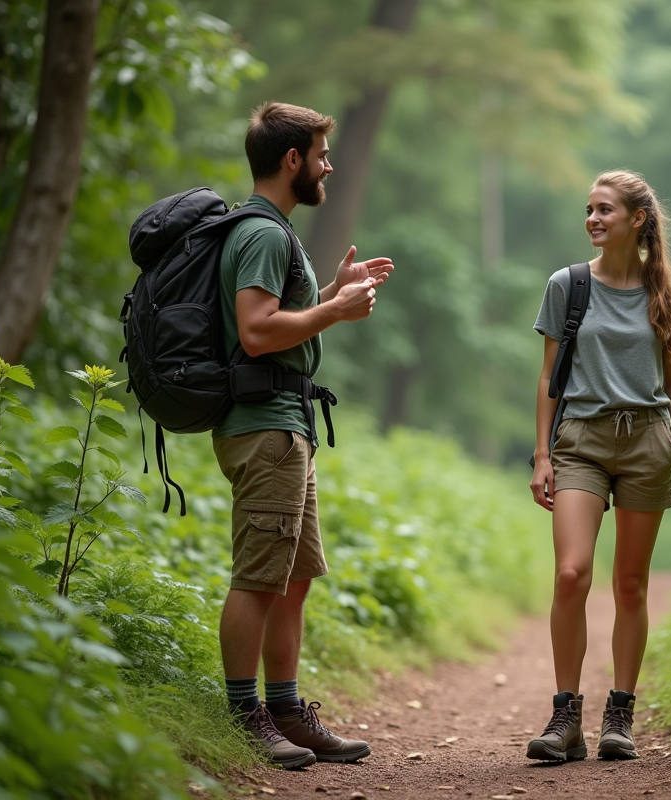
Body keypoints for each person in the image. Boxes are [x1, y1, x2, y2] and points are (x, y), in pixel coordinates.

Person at [214, 101, 394, 769]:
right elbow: (258, 331)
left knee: (292, 577)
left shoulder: (272, 232)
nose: (327, 164)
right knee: (260, 577)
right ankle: (243, 717)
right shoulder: (261, 234)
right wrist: (333, 310)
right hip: (263, 429)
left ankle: (287, 711)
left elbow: (270, 320)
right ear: (292, 160)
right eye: (320, 153)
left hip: (285, 427)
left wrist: (331, 293)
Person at [526, 169, 671, 762]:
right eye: (589, 210)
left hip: (648, 442)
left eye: (605, 210)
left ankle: (619, 715)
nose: (593, 219)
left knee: (630, 583)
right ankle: (565, 715)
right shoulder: (567, 286)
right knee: (572, 574)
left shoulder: (669, 297)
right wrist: (543, 453)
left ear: (637, 220)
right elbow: (549, 377)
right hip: (581, 441)